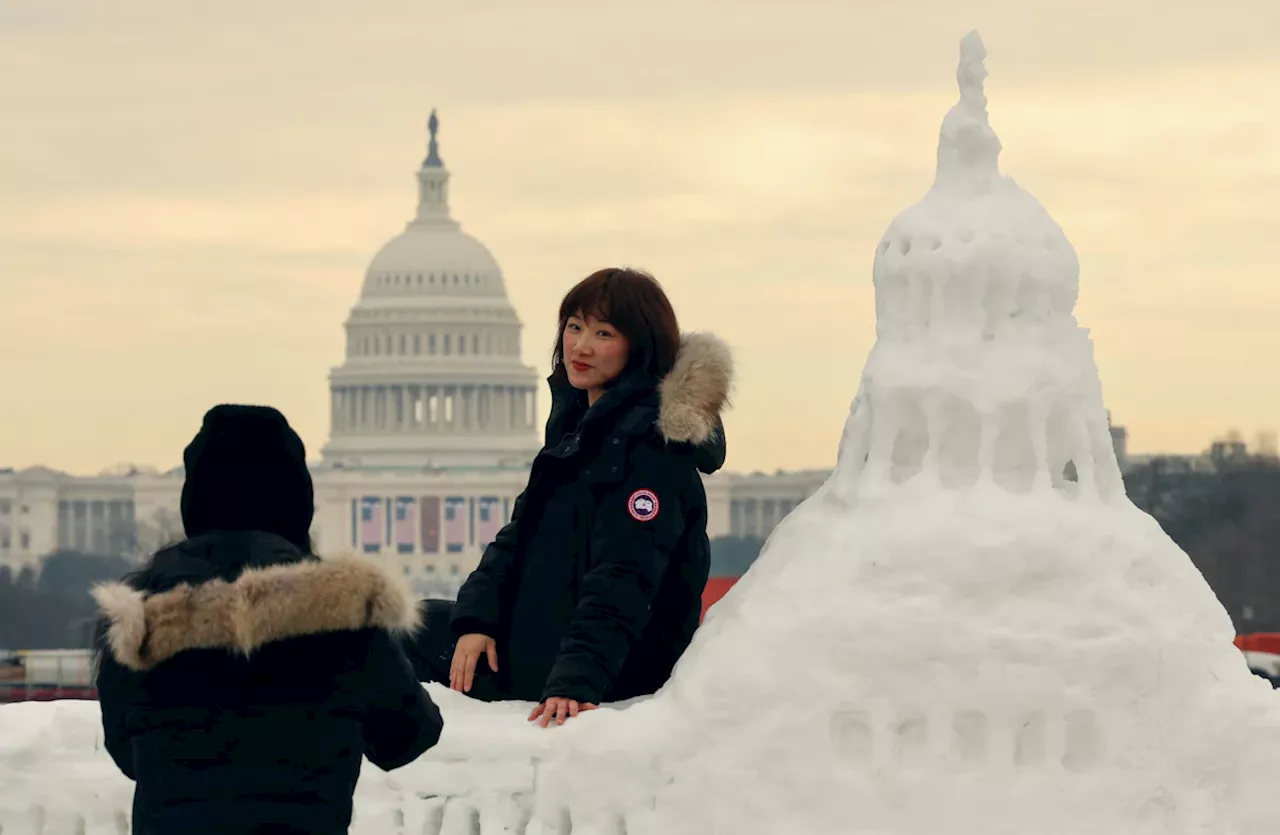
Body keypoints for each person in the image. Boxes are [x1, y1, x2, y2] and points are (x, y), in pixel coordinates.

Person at [401, 267, 734, 727]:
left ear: (640, 347)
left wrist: (575, 682)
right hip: (547, 639)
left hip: (600, 668)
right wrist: (475, 621)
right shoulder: (581, 432)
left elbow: (625, 578)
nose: (580, 346)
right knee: (401, 624)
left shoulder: (650, 449)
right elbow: (516, 539)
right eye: (574, 327)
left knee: (387, 642)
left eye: (603, 333)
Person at [93, 405, 443, 835]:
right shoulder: (347, 617)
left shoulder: (138, 623)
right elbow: (406, 737)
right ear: (297, 501)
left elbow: (126, 752)